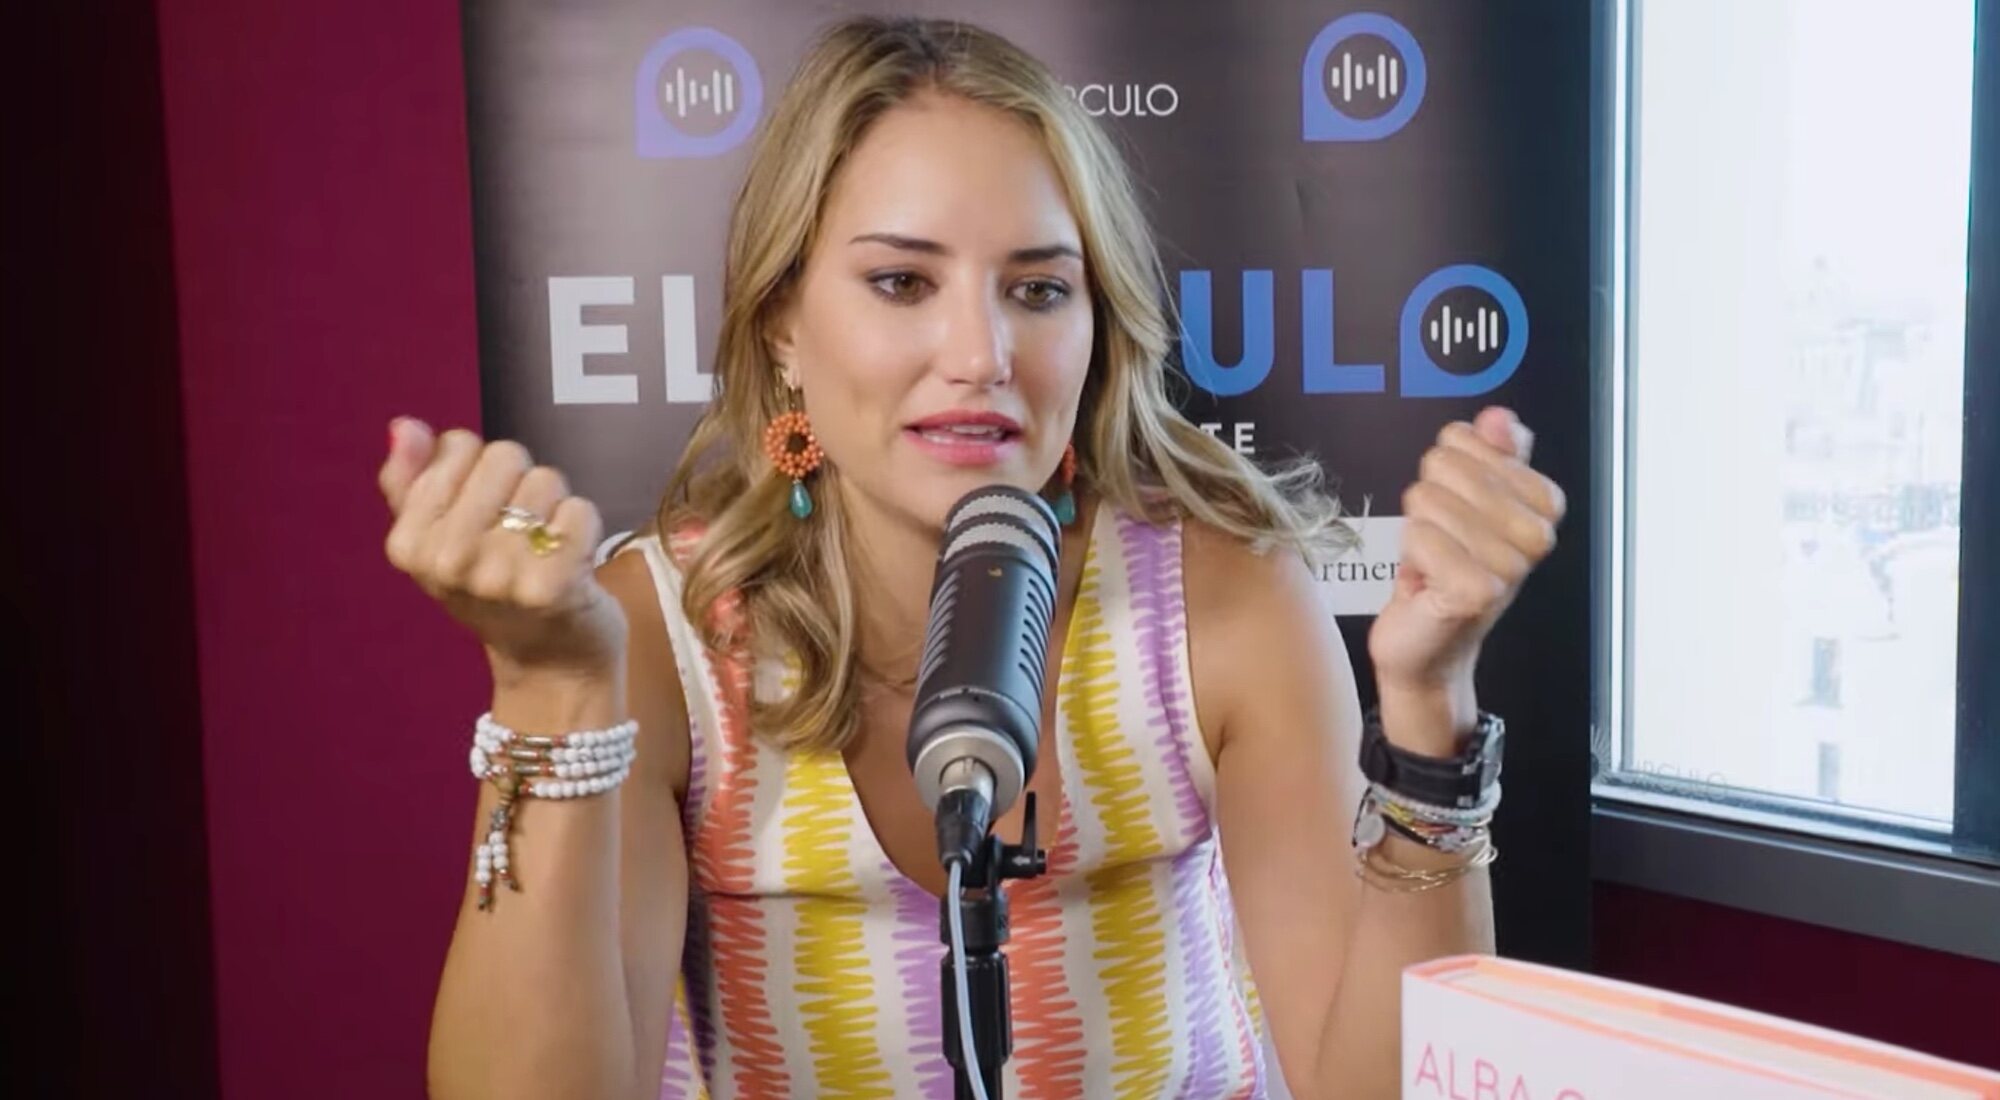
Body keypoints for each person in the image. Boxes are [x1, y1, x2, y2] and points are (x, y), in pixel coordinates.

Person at [383, 16, 1565, 1100]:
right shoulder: (661, 626)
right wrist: (548, 692)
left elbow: (1377, 1089)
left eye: (1037, 288)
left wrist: (1426, 720)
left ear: (1094, 326)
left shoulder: (1221, 594)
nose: (979, 352)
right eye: (901, 281)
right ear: (782, 323)